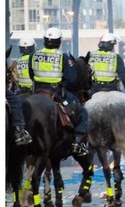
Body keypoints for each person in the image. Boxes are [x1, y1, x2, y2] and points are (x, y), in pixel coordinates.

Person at [28, 27, 88, 156]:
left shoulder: (34, 54)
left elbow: (31, 74)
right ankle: (77, 143)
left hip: (37, 90)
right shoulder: (62, 56)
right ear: (58, 42)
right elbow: (71, 79)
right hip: (56, 92)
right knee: (82, 112)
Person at [6, 48, 32, 146]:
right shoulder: (34, 58)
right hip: (35, 89)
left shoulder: (16, 62)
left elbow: (12, 77)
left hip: (21, 89)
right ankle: (18, 131)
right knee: (15, 102)